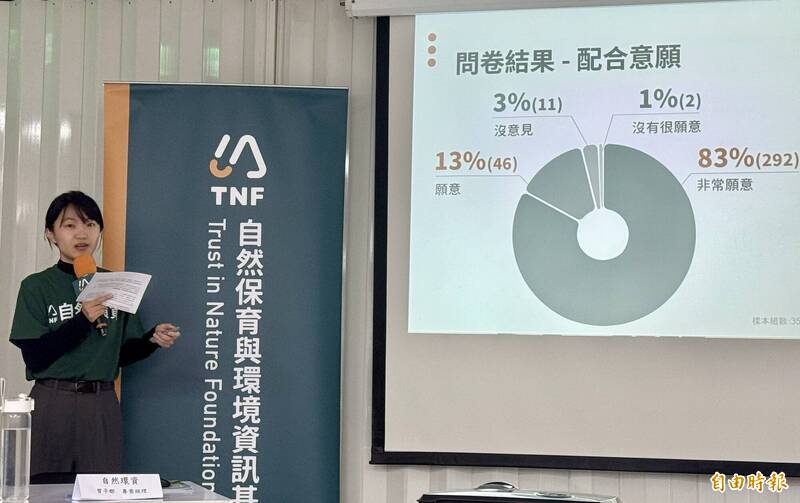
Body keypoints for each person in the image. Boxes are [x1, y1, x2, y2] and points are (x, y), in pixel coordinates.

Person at [9, 191, 180, 484]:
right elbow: (35, 356)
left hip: (101, 403)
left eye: (90, 224)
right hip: (52, 401)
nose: (82, 234)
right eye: (70, 225)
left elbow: (120, 355)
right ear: (50, 234)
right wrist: (82, 320)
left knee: (101, 488)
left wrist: (151, 340)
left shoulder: (115, 284)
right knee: (42, 489)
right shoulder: (36, 286)